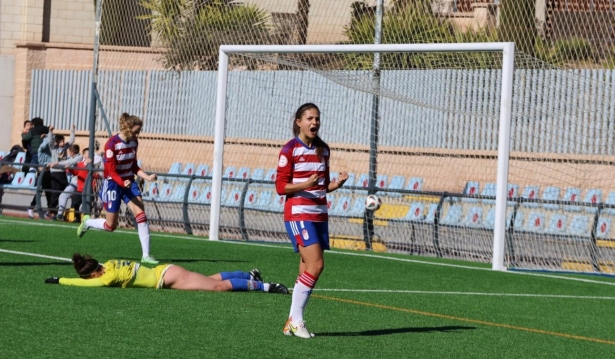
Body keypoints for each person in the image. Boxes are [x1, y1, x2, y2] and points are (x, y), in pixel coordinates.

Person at [275, 103, 348, 339]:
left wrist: (337, 184)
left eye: (317, 118)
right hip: (298, 214)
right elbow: (280, 187)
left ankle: (291, 322)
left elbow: (323, 186)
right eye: (309, 118)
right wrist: (304, 185)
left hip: (319, 215)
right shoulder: (289, 150)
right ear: (298, 121)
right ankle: (297, 321)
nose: (314, 122)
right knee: (317, 265)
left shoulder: (323, 150)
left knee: (307, 267)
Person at [77, 113, 159, 264]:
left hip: (128, 182)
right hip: (113, 184)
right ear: (127, 128)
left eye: (138, 132)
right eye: (135, 131)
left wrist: (147, 177)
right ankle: (87, 222)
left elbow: (133, 165)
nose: (137, 134)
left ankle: (146, 255)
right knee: (110, 226)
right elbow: (111, 170)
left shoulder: (134, 142)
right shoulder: (111, 144)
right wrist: (122, 182)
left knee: (141, 215)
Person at [44, 253, 289, 294]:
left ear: (93, 275)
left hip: (167, 276)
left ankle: (266, 286)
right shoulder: (108, 264)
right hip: (166, 273)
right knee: (212, 279)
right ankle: (248, 275)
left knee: (218, 286)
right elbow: (88, 280)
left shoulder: (106, 278)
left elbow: (86, 285)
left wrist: (61, 280)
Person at [54, 144, 84, 221]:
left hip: (79, 182)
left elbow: (70, 162)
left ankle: (60, 215)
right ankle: (60, 215)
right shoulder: (73, 157)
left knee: (67, 197)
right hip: (75, 182)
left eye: (69, 151)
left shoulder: (79, 157)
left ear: (72, 152)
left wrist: (57, 163)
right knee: (67, 197)